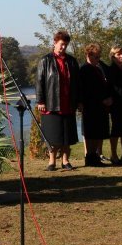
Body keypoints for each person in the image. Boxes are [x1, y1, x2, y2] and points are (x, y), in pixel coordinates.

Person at [36, 30, 81, 171]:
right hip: (51, 103)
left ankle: (66, 161)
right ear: (55, 43)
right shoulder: (45, 60)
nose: (63, 47)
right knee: (53, 136)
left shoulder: (72, 61)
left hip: (68, 103)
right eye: (61, 44)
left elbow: (77, 83)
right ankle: (51, 162)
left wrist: (79, 101)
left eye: (65, 45)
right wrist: (40, 101)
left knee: (67, 136)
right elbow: (39, 82)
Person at [79, 43, 112, 167]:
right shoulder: (84, 69)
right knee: (91, 133)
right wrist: (101, 100)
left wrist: (108, 98)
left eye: (99, 57)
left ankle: (95, 156)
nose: (98, 59)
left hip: (101, 107)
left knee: (99, 132)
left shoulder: (98, 69)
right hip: (91, 106)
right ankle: (90, 157)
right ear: (89, 55)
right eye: (96, 57)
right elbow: (86, 91)